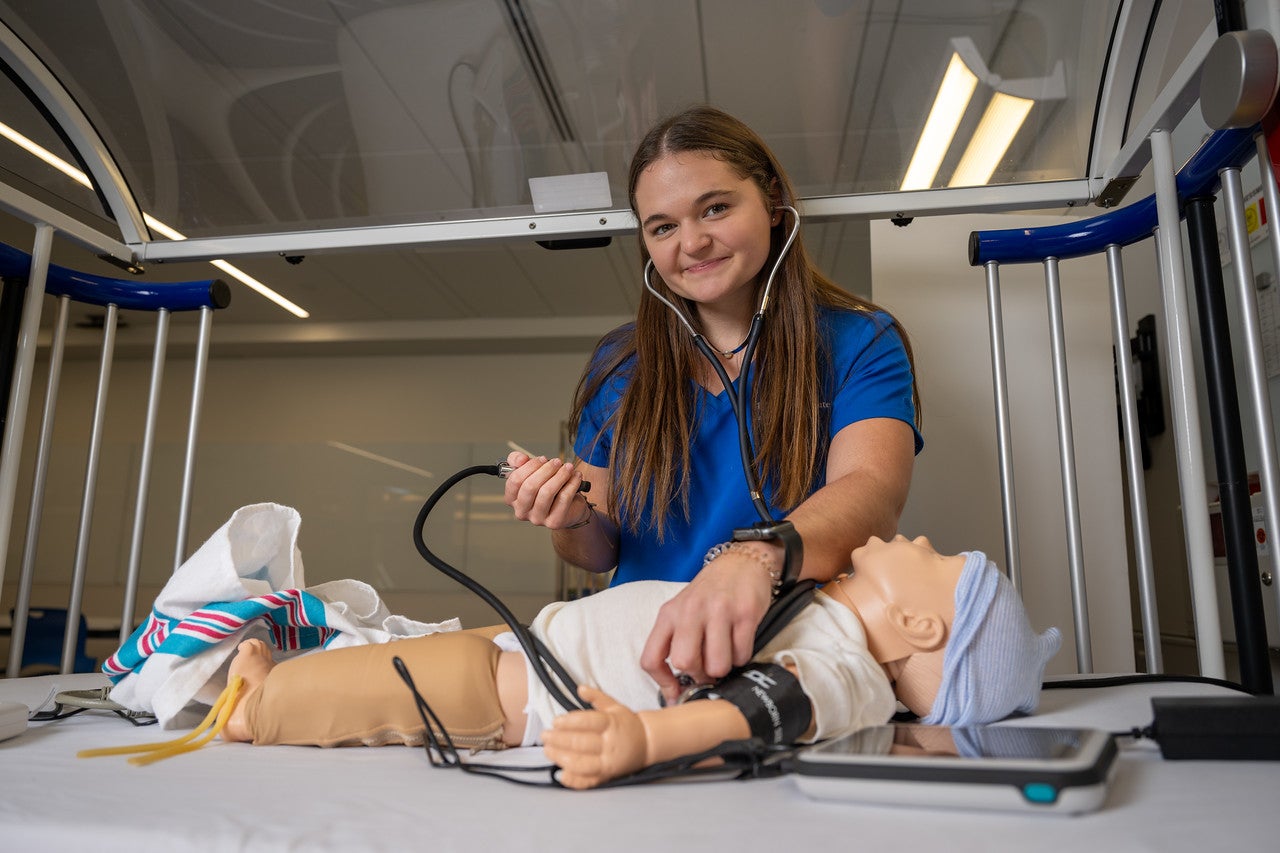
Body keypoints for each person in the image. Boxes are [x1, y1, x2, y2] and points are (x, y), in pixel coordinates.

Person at [502, 105, 923, 703]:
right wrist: (567, 513)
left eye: (716, 208)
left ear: (773, 204)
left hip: (789, 647)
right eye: (662, 227)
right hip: (642, 650)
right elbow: (596, 550)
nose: (692, 243)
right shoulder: (620, 366)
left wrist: (752, 559)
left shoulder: (861, 341)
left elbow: (872, 494)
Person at [217, 536, 1060, 790]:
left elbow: (769, 706)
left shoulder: (849, 674)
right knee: (406, 657)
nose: (918, 538)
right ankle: (285, 682)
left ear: (917, 624)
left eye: (940, 559)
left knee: (380, 690)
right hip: (534, 645)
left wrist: (646, 740)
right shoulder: (822, 611)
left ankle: (260, 708)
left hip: (521, 692)